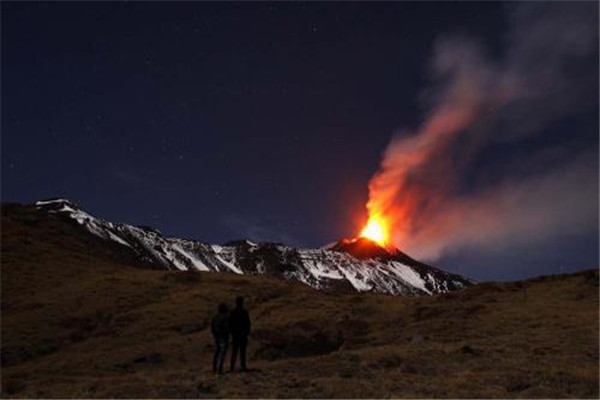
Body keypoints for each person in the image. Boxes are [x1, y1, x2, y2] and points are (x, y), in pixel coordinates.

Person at [229, 296, 251, 372]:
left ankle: (232, 366)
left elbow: (230, 324)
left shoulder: (233, 312)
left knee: (235, 352)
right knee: (242, 352)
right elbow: (247, 323)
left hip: (235, 334)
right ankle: (243, 366)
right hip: (242, 334)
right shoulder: (244, 312)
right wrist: (247, 332)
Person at [210, 303, 229, 375]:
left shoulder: (215, 317)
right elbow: (227, 327)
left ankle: (214, 368)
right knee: (222, 353)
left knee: (217, 352)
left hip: (217, 337)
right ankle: (220, 369)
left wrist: (215, 334)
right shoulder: (226, 317)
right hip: (223, 337)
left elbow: (212, 327)